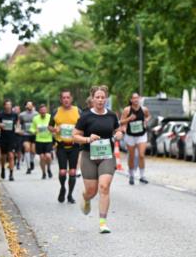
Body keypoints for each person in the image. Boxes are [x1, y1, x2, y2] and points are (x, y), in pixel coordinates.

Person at [73, 86, 123, 234]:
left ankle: (103, 222)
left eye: (103, 97)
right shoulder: (86, 116)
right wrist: (88, 138)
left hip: (107, 155)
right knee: (91, 190)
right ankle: (86, 197)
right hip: (89, 156)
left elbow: (117, 130)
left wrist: (119, 134)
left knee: (104, 187)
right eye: (97, 97)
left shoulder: (112, 115)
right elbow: (75, 136)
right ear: (92, 99)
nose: (100, 100)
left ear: (106, 98)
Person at [51, 90, 81, 203]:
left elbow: (84, 125)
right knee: (63, 171)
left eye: (68, 97)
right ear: (61, 99)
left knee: (72, 172)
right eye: (64, 98)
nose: (66, 99)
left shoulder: (78, 111)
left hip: (74, 146)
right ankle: (63, 188)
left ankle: (70, 195)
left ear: (71, 99)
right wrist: (54, 129)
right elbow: (50, 127)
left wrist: (80, 132)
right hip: (61, 146)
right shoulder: (56, 111)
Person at [120, 92, 151, 185]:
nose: (136, 100)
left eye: (137, 98)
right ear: (131, 100)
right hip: (130, 136)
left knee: (141, 155)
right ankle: (131, 175)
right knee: (132, 156)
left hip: (141, 135)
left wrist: (146, 120)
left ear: (140, 99)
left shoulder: (144, 109)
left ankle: (142, 176)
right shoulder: (127, 110)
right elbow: (121, 121)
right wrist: (129, 119)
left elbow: (148, 116)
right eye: (134, 98)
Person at [30, 103, 55, 179]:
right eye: (41, 111)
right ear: (39, 111)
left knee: (48, 156)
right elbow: (31, 129)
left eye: (44, 110)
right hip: (39, 140)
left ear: (46, 110)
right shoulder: (35, 118)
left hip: (48, 140)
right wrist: (35, 131)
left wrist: (52, 130)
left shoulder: (50, 117)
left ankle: (49, 169)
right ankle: (43, 173)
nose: (43, 112)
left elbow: (55, 127)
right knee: (41, 157)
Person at [0, 99, 18, 180]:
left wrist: (18, 130)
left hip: (12, 138)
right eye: (7, 105)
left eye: (10, 105)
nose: (9, 106)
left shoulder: (14, 115)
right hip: (3, 138)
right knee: (3, 157)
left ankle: (11, 174)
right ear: (4, 106)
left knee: (11, 156)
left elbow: (17, 125)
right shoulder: (0, 115)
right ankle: (2, 169)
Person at [19, 101, 38, 174]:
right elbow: (18, 124)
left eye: (31, 105)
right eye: (28, 105)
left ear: (33, 106)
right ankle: (28, 167)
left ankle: (31, 161)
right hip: (25, 134)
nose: (29, 106)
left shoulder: (36, 114)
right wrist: (19, 130)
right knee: (27, 149)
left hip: (34, 134)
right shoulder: (22, 115)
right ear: (26, 106)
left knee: (33, 150)